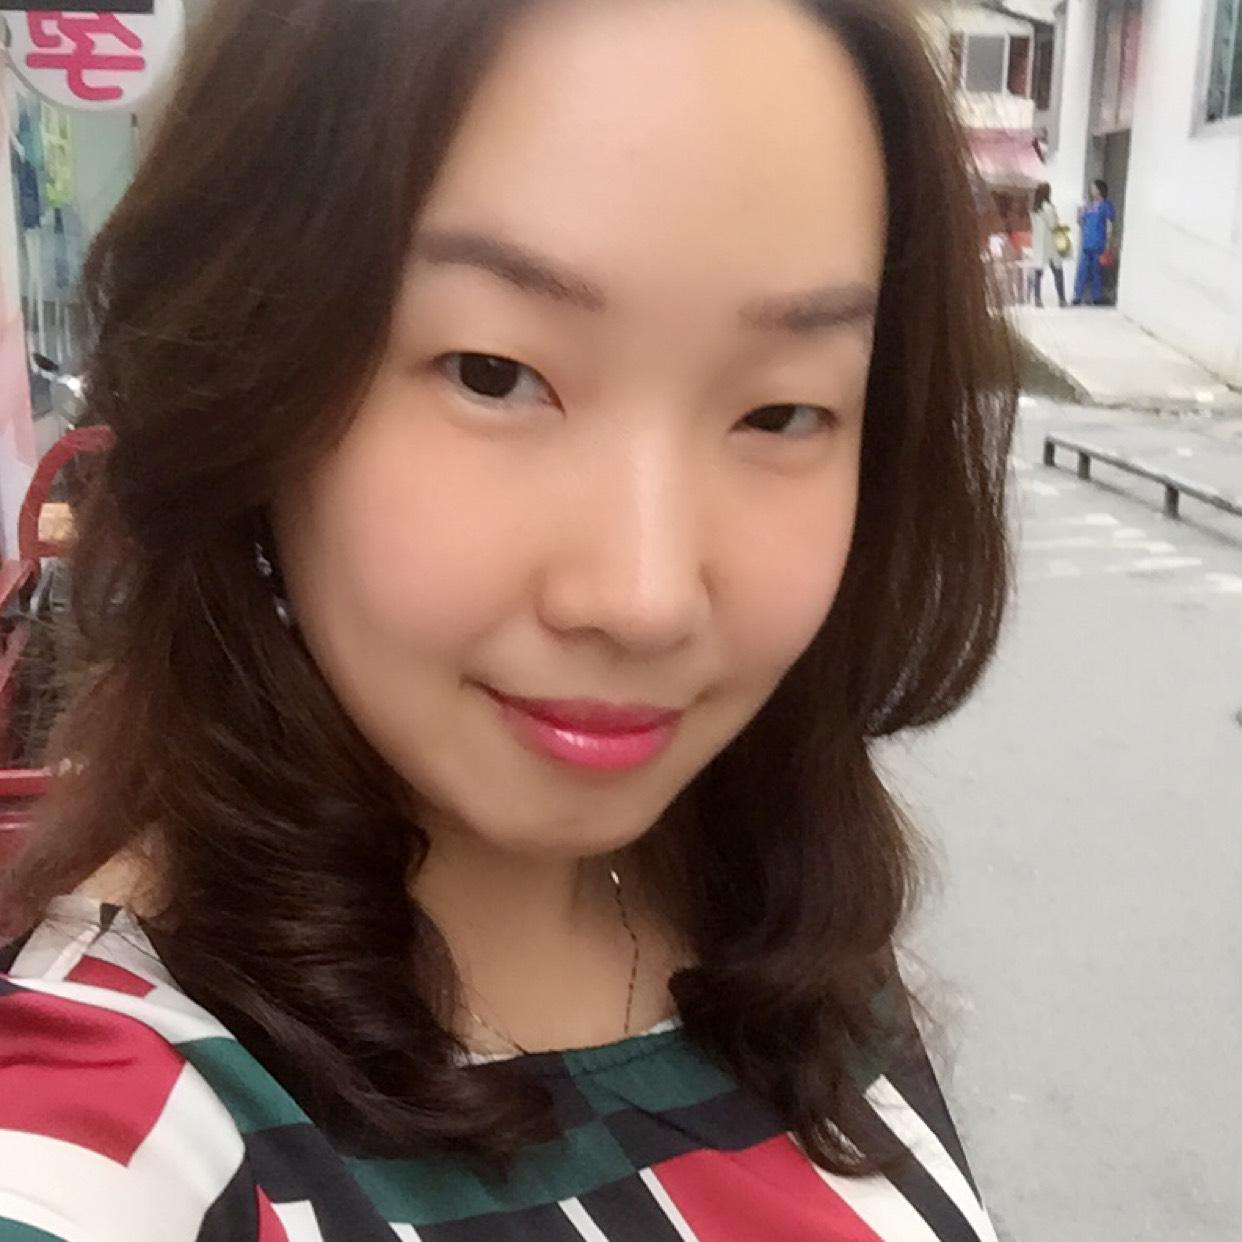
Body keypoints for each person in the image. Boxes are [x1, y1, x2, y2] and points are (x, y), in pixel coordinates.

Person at [0, 1, 1015, 1239]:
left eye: (783, 412)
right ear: (250, 368)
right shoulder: (112, 1137)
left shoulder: (775, 917)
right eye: (494, 375)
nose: (645, 596)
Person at [1073, 178, 1117, 306]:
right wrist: (1079, 213)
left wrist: (1108, 242)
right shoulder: (1088, 206)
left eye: (1093, 188)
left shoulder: (1106, 205)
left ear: (1099, 190)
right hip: (1087, 243)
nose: (1091, 190)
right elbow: (1081, 222)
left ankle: (1097, 297)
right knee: (1082, 270)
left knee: (1096, 271)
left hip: (1099, 243)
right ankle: (1077, 296)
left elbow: (1109, 224)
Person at [1029, 182, 1068, 309]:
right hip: (1050, 243)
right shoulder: (1048, 208)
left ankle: (1037, 298)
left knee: (1038, 272)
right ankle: (1062, 299)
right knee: (1058, 271)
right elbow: (1053, 225)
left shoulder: (1034, 209)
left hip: (1038, 243)